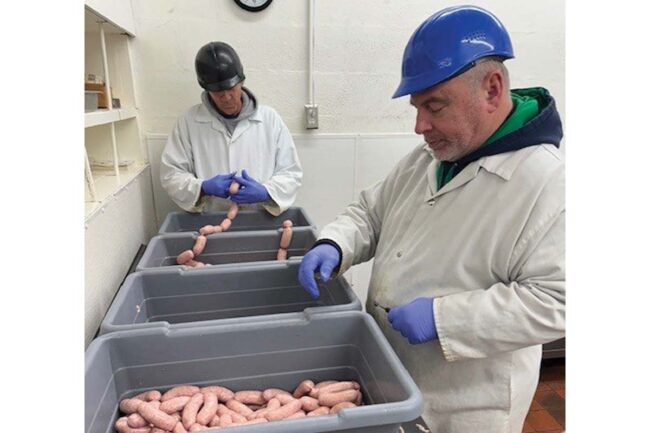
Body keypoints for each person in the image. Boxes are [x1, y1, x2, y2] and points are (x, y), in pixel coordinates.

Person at [298, 5, 565, 433]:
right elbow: (370, 212)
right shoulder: (430, 158)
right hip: (393, 374)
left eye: (435, 106)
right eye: (416, 107)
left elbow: (558, 301)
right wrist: (335, 243)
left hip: (464, 405)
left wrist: (445, 319)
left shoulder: (548, 182)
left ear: (492, 89)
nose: (420, 125)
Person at [160, 41, 303, 216]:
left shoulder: (270, 120)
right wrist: (202, 188)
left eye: (231, 89)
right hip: (211, 223)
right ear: (206, 89)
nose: (226, 98)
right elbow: (171, 175)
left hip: (260, 222)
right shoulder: (189, 122)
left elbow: (291, 172)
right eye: (218, 92)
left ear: (241, 81)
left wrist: (266, 192)